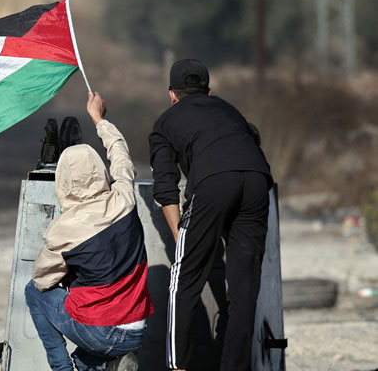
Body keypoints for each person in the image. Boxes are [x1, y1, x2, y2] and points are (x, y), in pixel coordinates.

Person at [148, 59, 272, 371]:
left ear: (171, 94)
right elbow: (250, 143)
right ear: (209, 91)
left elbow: (165, 186)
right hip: (258, 179)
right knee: (245, 289)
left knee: (183, 279)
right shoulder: (230, 110)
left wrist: (182, 239)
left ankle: (178, 366)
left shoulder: (165, 123)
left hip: (214, 182)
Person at [25, 92, 154, 371]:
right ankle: (110, 364)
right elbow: (120, 156)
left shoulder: (63, 231)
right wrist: (99, 118)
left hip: (100, 332)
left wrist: (70, 271)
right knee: (86, 357)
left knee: (33, 294)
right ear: (98, 170)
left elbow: (41, 281)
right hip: (136, 331)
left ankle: (60, 368)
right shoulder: (123, 199)